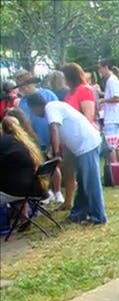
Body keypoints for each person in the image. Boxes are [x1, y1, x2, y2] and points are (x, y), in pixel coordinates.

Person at [25, 93, 107, 225]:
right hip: (81, 147)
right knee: (83, 181)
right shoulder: (54, 108)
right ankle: (78, 213)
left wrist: (56, 153)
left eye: (32, 110)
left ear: (35, 107)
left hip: (87, 145)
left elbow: (54, 129)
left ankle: (98, 217)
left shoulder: (51, 108)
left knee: (91, 182)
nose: (33, 114)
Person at [14, 70, 61, 205]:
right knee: (39, 167)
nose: (24, 88)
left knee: (54, 164)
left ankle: (58, 192)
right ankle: (46, 192)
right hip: (34, 140)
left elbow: (57, 113)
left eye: (26, 85)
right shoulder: (22, 102)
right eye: (21, 86)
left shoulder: (47, 94)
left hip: (50, 135)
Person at [60, 62, 99, 211]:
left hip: (82, 138)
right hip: (71, 139)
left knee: (84, 173)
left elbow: (88, 115)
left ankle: (87, 205)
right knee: (68, 169)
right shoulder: (70, 93)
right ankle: (69, 201)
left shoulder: (84, 90)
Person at [0, 116, 47, 209]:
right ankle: (22, 215)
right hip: (35, 188)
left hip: (16, 191)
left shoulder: (4, 142)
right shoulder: (26, 142)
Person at [98, 59, 119, 165]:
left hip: (112, 116)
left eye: (100, 68)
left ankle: (114, 165)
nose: (99, 71)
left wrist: (103, 100)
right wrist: (101, 94)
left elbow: (116, 98)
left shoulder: (112, 80)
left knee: (111, 143)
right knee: (117, 142)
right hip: (116, 116)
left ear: (106, 67)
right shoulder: (112, 80)